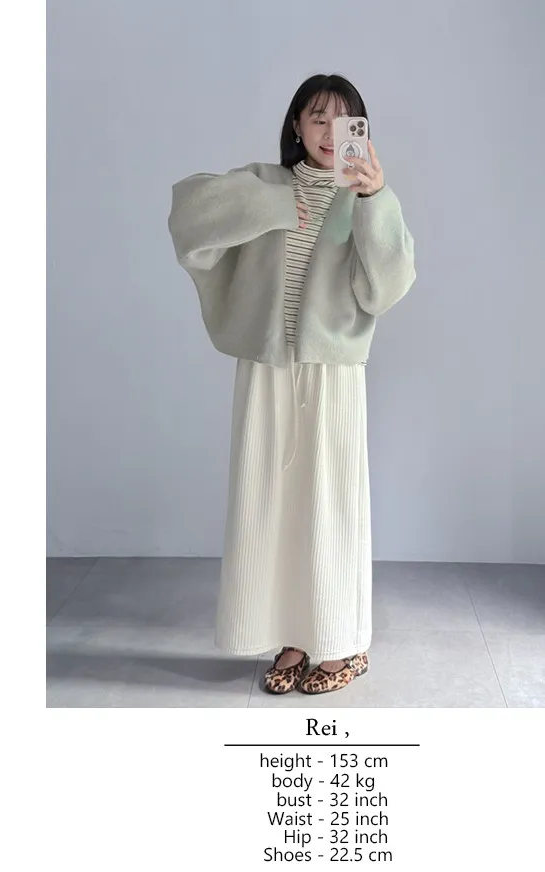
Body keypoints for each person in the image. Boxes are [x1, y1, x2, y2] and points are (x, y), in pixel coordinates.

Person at [167, 74, 415, 695]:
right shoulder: (267, 182)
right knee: (270, 506)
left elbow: (386, 289)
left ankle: (343, 643)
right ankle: (292, 635)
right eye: (317, 118)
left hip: (332, 376)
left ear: (362, 130)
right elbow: (189, 214)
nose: (330, 133)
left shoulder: (366, 197)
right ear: (297, 127)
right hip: (267, 370)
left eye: (344, 120)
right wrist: (274, 206)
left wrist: (374, 199)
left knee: (329, 506)